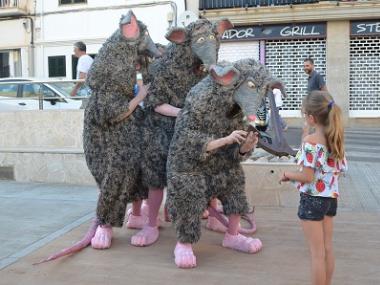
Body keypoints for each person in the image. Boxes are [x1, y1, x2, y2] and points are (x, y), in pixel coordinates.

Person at [280, 91, 347, 285]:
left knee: (316, 254)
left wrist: (288, 175)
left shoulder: (311, 142)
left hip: (312, 201)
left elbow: (307, 176)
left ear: (311, 118)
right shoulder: (336, 139)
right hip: (330, 200)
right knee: (327, 249)